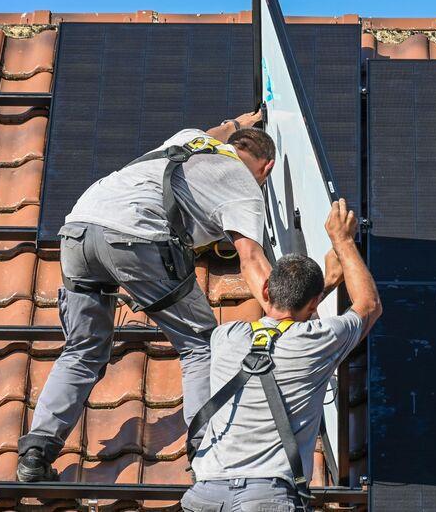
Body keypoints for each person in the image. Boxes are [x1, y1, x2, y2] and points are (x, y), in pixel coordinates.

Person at [17, 111, 276, 482]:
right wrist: (284, 320)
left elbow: (215, 131)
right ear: (265, 169)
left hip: (78, 227)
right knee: (200, 343)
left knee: (83, 349)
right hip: (135, 235)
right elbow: (251, 258)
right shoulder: (245, 186)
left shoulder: (190, 139)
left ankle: (35, 454)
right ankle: (206, 446)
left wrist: (239, 123)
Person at [182, 199, 382, 511]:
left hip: (207, 493)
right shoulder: (318, 341)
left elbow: (279, 320)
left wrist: (322, 287)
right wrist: (342, 240)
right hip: (266, 495)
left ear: (265, 293)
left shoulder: (225, 337)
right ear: (314, 304)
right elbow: (368, 306)